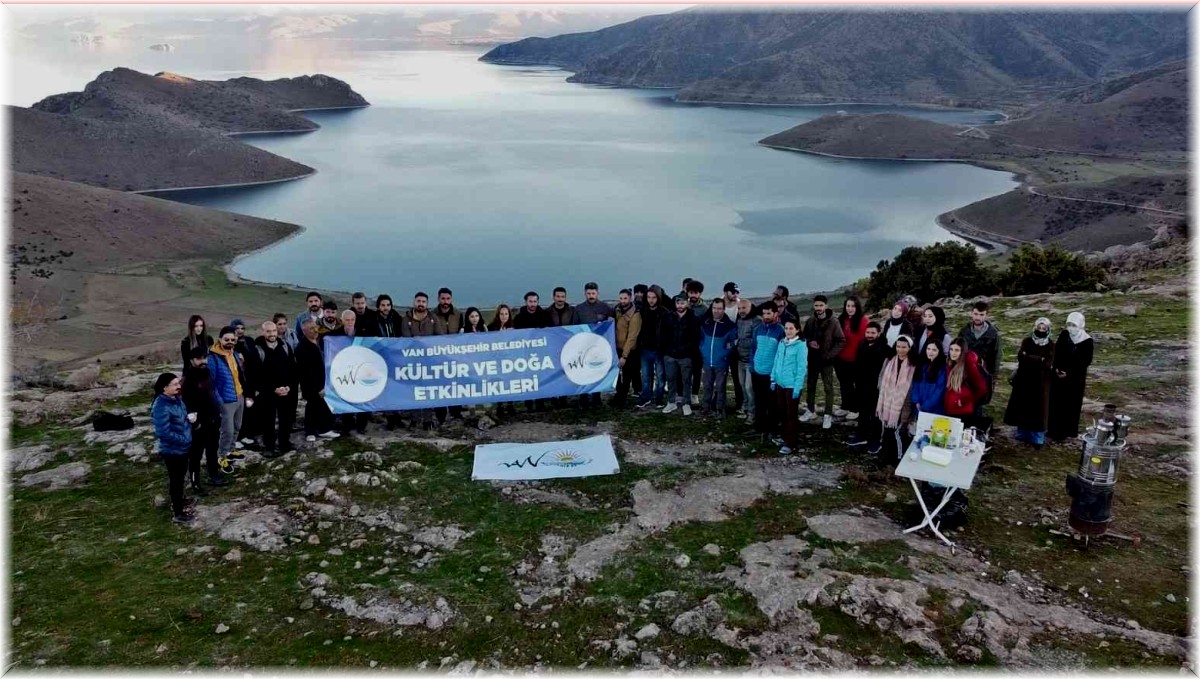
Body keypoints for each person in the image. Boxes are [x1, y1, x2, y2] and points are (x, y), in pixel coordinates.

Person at [1003, 317, 1057, 449]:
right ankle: (1022, 434)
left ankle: (1037, 438)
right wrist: (1038, 359)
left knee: (1038, 411)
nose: (1041, 330)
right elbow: (1021, 356)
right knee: (1023, 407)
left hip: (1041, 384)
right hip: (1024, 380)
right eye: (1039, 327)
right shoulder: (1027, 341)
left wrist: (1029, 358)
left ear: (1048, 329)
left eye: (1044, 328)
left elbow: (1047, 363)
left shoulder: (1051, 345)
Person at [151, 372, 194, 524]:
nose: (179, 386)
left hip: (183, 447)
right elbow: (163, 432)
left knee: (181, 477)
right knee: (176, 480)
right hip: (172, 450)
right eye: (175, 384)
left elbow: (180, 420)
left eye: (178, 383)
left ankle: (180, 500)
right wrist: (183, 440)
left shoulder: (176, 400)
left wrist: (189, 420)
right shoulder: (160, 406)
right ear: (164, 388)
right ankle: (178, 513)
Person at [182, 346, 226, 491]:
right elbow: (187, 404)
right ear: (191, 360)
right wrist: (196, 424)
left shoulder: (207, 373)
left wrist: (218, 414)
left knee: (212, 449)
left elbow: (212, 394)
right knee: (196, 454)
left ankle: (214, 475)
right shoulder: (188, 379)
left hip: (213, 419)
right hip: (199, 424)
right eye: (199, 359)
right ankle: (195, 482)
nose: (203, 361)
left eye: (204, 358)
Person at [800, 295, 846, 429]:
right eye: (816, 306)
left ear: (825, 306)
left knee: (828, 388)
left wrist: (830, 354)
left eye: (821, 305)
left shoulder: (834, 322)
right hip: (813, 359)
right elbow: (804, 337)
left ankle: (827, 415)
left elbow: (841, 341)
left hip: (827, 361)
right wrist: (809, 343)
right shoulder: (810, 321)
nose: (818, 308)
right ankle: (810, 410)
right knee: (811, 386)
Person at [1048, 312, 1095, 442]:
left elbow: (1085, 361)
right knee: (1055, 402)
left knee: (1070, 405)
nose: (1071, 328)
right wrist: (1056, 367)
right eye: (1069, 324)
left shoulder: (1087, 341)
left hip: (1075, 379)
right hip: (1058, 375)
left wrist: (1068, 372)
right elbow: (1057, 352)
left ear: (1081, 325)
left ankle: (1065, 431)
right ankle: (1052, 429)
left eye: (1074, 325)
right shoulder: (1064, 335)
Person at [207, 326, 249, 464]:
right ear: (220, 340)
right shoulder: (213, 358)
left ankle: (231, 449)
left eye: (232, 339)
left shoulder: (235, 355)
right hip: (226, 401)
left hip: (239, 396)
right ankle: (222, 455)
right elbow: (211, 383)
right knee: (227, 430)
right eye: (226, 339)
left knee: (237, 427)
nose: (230, 342)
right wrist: (219, 401)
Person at [255, 321, 298, 456]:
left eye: (274, 331)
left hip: (285, 391)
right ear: (263, 332)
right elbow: (257, 375)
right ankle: (269, 447)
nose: (272, 334)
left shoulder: (284, 346)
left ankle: (285, 443)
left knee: (286, 418)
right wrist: (273, 389)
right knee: (268, 420)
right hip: (268, 393)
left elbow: (293, 368)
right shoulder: (258, 350)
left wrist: (289, 387)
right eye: (268, 331)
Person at [402, 292, 442, 427]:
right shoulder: (406, 319)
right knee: (413, 390)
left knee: (428, 391)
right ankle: (414, 419)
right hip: (412, 362)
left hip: (429, 362)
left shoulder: (433, 318)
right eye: (418, 301)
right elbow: (407, 339)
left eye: (423, 301)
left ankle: (427, 420)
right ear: (414, 302)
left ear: (427, 303)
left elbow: (439, 338)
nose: (421, 304)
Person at [295, 319, 339, 442]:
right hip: (312, 385)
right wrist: (318, 387)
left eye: (315, 327)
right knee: (313, 406)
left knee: (325, 406)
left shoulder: (321, 341)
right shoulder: (302, 348)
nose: (315, 330)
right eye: (311, 329)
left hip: (325, 381)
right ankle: (310, 432)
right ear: (304, 331)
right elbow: (307, 372)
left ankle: (325, 429)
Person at [873, 335, 916, 460]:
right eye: (898, 346)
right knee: (887, 431)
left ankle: (898, 459)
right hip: (887, 403)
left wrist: (906, 410)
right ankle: (885, 456)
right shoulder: (890, 361)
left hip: (902, 405)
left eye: (904, 347)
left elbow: (910, 389)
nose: (900, 350)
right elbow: (881, 379)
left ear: (910, 348)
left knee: (898, 433)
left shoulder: (913, 365)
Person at [848, 322, 890, 448]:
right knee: (863, 412)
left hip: (876, 388)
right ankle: (861, 435)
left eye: (873, 333)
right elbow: (857, 363)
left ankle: (876, 440)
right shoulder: (862, 344)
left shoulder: (884, 348)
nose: (870, 335)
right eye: (868, 332)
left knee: (876, 414)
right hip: (862, 386)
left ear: (879, 333)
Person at [769, 319, 808, 455]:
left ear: (797, 329)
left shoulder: (800, 345)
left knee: (791, 414)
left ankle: (791, 442)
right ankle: (785, 436)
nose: (788, 331)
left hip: (792, 385)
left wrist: (797, 387)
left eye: (791, 328)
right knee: (783, 412)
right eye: (786, 328)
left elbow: (801, 368)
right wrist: (773, 378)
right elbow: (776, 360)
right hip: (780, 383)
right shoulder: (782, 342)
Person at [575, 282, 614, 409]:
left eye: (593, 293)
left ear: (597, 293)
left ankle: (596, 398)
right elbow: (574, 327)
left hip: (599, 346)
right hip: (583, 347)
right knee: (583, 373)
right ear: (584, 293)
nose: (591, 296)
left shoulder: (605, 307)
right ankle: (583, 398)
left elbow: (614, 320)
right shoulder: (579, 309)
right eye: (588, 293)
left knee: (597, 372)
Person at [661, 294, 701, 415]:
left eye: (683, 303)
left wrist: (690, 352)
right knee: (671, 379)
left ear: (687, 303)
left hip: (686, 355)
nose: (680, 306)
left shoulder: (693, 318)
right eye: (678, 303)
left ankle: (686, 403)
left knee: (687, 380)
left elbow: (696, 337)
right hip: (670, 354)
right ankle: (671, 402)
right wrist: (665, 351)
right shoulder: (668, 316)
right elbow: (663, 334)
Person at [958, 302, 1001, 413]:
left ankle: (975, 427)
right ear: (971, 314)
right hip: (965, 372)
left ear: (986, 315)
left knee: (978, 401)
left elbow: (996, 356)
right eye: (976, 314)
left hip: (983, 373)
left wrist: (993, 377)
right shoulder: (964, 331)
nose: (978, 317)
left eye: (981, 315)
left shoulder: (993, 334)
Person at [750, 304, 786, 438]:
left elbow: (782, 353)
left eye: (769, 313)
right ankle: (759, 428)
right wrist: (752, 365)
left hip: (771, 374)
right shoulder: (758, 329)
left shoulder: (780, 331)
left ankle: (772, 429)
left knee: (772, 403)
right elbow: (753, 348)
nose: (765, 317)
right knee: (759, 401)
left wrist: (777, 373)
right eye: (764, 314)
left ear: (776, 314)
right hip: (757, 371)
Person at [699, 298, 738, 418]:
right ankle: (706, 408)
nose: (716, 311)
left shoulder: (729, 325)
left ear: (723, 309)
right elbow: (700, 339)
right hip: (707, 361)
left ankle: (720, 409)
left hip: (721, 363)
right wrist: (703, 351)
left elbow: (733, 342)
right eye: (714, 308)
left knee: (720, 387)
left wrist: (725, 354)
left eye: (719, 308)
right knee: (707, 386)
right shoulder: (706, 323)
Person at [835, 296, 868, 420]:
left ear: (857, 307)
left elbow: (866, 339)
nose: (850, 308)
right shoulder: (841, 319)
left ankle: (856, 409)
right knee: (844, 384)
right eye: (848, 306)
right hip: (841, 358)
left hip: (857, 359)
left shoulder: (863, 320)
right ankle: (845, 406)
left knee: (858, 386)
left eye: (852, 306)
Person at [636, 287, 667, 408]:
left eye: (654, 297)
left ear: (658, 298)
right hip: (645, 348)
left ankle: (659, 399)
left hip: (659, 349)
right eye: (649, 297)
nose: (651, 300)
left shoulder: (664, 312)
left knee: (660, 376)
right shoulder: (642, 311)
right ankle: (645, 398)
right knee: (645, 375)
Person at [612, 289, 642, 409]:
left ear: (630, 298)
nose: (623, 301)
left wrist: (624, 355)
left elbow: (632, 336)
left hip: (629, 350)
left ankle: (622, 398)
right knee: (617, 375)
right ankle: (619, 395)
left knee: (627, 374)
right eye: (621, 298)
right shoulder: (616, 310)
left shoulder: (635, 314)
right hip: (617, 348)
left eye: (625, 298)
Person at [944, 338, 988, 419]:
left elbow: (982, 389)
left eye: (957, 350)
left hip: (963, 411)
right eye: (951, 349)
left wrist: (964, 401)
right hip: (950, 408)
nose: (953, 353)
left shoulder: (969, 367)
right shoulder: (950, 364)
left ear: (962, 352)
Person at [734, 298, 761, 424]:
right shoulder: (739, 320)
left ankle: (752, 413)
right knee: (743, 386)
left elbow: (755, 341)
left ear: (750, 308)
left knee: (750, 388)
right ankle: (745, 409)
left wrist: (738, 342)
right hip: (740, 360)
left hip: (751, 361)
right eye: (739, 308)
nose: (741, 311)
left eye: (744, 308)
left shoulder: (756, 321)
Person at [488, 304, 517, 416]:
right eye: (501, 314)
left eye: (506, 314)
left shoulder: (513, 327)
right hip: (496, 359)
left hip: (509, 359)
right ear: (498, 315)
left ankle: (510, 404)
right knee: (499, 382)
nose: (504, 316)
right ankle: (499, 405)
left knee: (509, 382)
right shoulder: (491, 327)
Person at [722, 282, 746, 413]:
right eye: (733, 292)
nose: (736, 294)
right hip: (721, 346)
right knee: (720, 376)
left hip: (736, 347)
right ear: (726, 292)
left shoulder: (740, 305)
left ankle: (740, 403)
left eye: (737, 292)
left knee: (737, 377)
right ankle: (719, 402)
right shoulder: (718, 304)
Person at [910, 341, 947, 418]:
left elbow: (939, 391)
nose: (930, 352)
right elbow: (915, 384)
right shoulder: (922, 365)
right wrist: (916, 401)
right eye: (928, 349)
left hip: (934, 409)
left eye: (934, 350)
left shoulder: (942, 369)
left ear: (939, 351)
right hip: (919, 407)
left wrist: (925, 406)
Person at [686, 280, 707, 406]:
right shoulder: (683, 305)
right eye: (691, 292)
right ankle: (683, 394)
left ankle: (694, 395)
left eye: (696, 293)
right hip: (683, 344)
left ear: (700, 294)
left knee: (697, 371)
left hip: (698, 344)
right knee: (683, 370)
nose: (693, 295)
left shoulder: (704, 309)